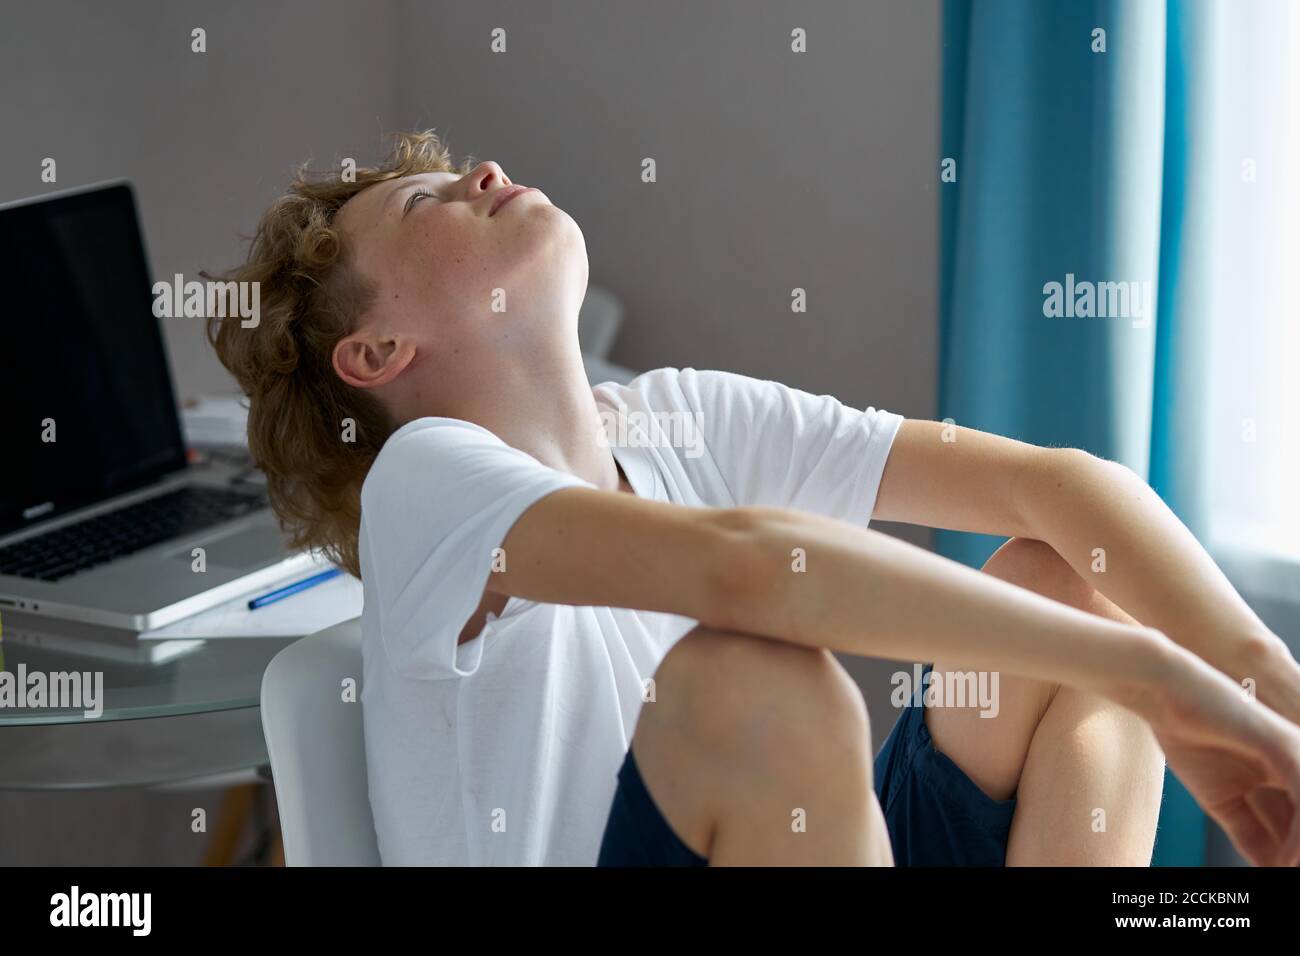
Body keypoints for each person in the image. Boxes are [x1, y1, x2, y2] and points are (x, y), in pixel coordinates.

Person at [209, 131, 1300, 867]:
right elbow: (742, 566)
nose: (480, 170)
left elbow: (1055, 486)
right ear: (378, 350)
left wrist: (1263, 700)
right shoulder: (424, 483)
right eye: (423, 203)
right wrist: (1158, 675)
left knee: (1068, 585)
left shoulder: (674, 418)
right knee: (752, 680)